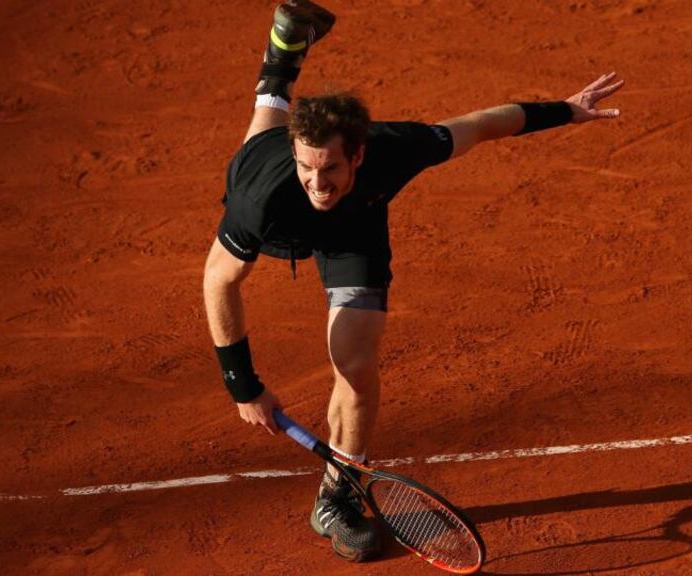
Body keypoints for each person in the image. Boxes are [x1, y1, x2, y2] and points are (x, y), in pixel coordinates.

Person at [202, 0, 623, 563]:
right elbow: (218, 283)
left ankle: (338, 496)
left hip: (355, 232)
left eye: (330, 167)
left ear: (358, 153)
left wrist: (565, 111)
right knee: (263, 129)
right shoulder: (268, 193)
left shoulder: (395, 149)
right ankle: (280, 59)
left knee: (355, 364)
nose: (318, 182)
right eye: (308, 166)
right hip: (276, 215)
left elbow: (479, 126)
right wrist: (242, 385)